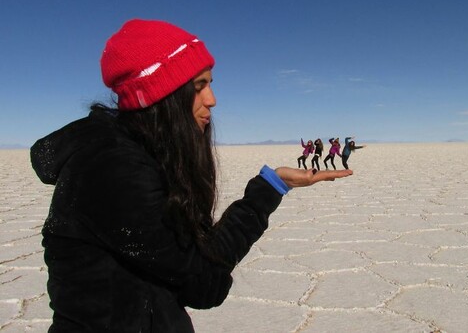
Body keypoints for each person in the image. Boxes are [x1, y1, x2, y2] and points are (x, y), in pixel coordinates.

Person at [30, 19, 352, 333]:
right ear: (163, 94)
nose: (212, 99)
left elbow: (191, 262)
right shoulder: (114, 170)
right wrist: (266, 191)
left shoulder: (141, 155)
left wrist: (275, 184)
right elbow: (203, 281)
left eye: (210, 84)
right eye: (199, 86)